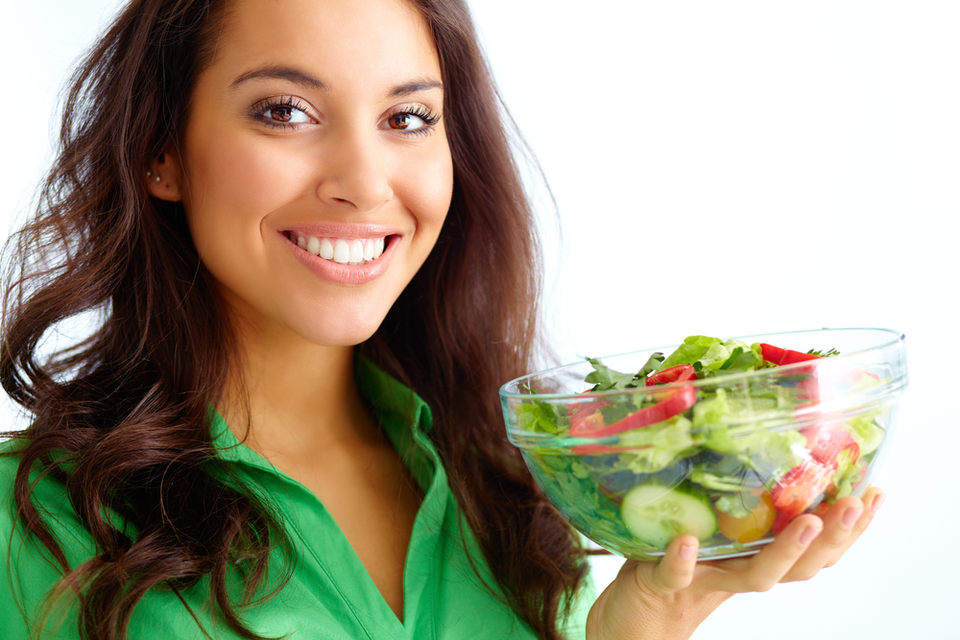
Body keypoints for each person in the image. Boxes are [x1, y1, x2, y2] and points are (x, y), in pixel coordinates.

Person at [0, 0, 884, 638]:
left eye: (408, 117)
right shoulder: (27, 519)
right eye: (285, 111)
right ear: (162, 151)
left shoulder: (518, 494)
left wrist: (645, 625)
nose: (365, 179)